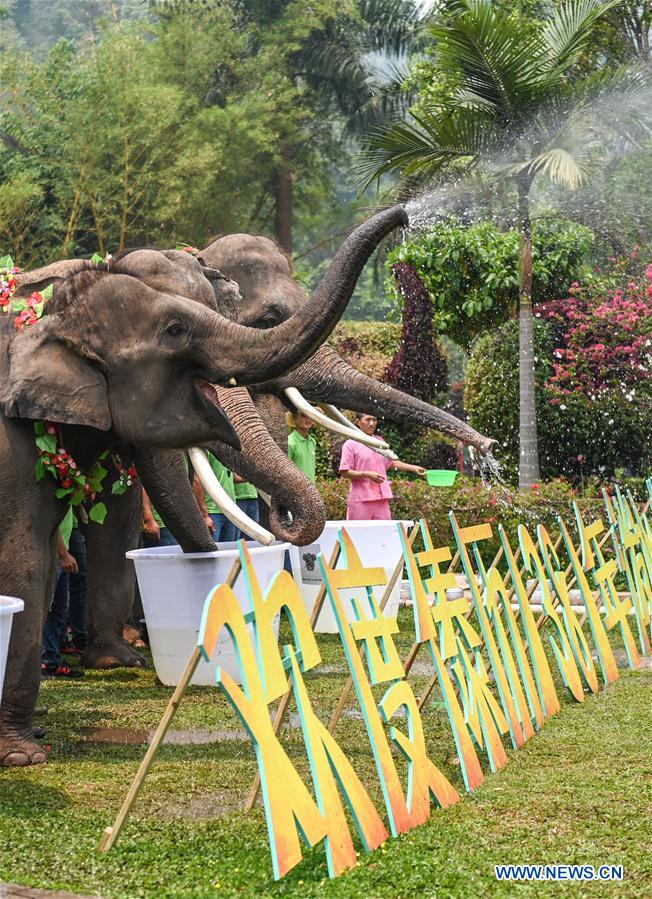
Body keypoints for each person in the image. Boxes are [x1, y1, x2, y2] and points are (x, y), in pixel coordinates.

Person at [339, 413, 426, 520]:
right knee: (358, 535)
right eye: (368, 420)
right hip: (361, 499)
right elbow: (345, 472)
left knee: (385, 533)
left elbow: (391, 463)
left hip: (382, 498)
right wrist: (366, 474)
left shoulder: (379, 441)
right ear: (358, 422)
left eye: (374, 420)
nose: (372, 423)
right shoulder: (350, 444)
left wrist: (413, 468)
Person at [42, 508, 84, 677]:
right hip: (53, 555)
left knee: (58, 611)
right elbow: (50, 519)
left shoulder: (66, 485)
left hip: (61, 552)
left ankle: (52, 659)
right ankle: (43, 660)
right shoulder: (52, 485)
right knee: (47, 609)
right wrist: (62, 553)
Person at [193, 452, 237, 543]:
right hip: (212, 513)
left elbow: (233, 478)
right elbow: (196, 481)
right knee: (213, 552)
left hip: (232, 511)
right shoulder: (205, 451)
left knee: (231, 552)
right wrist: (204, 515)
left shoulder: (226, 452)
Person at [287, 411, 317, 483]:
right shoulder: (290, 442)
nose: (308, 419)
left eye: (310, 415)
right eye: (304, 416)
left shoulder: (312, 442)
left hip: (311, 491)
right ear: (294, 418)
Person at [233, 475, 259, 540]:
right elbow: (232, 478)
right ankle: (240, 550)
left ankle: (250, 550)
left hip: (253, 498)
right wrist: (254, 478)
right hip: (238, 498)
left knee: (254, 532)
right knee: (238, 531)